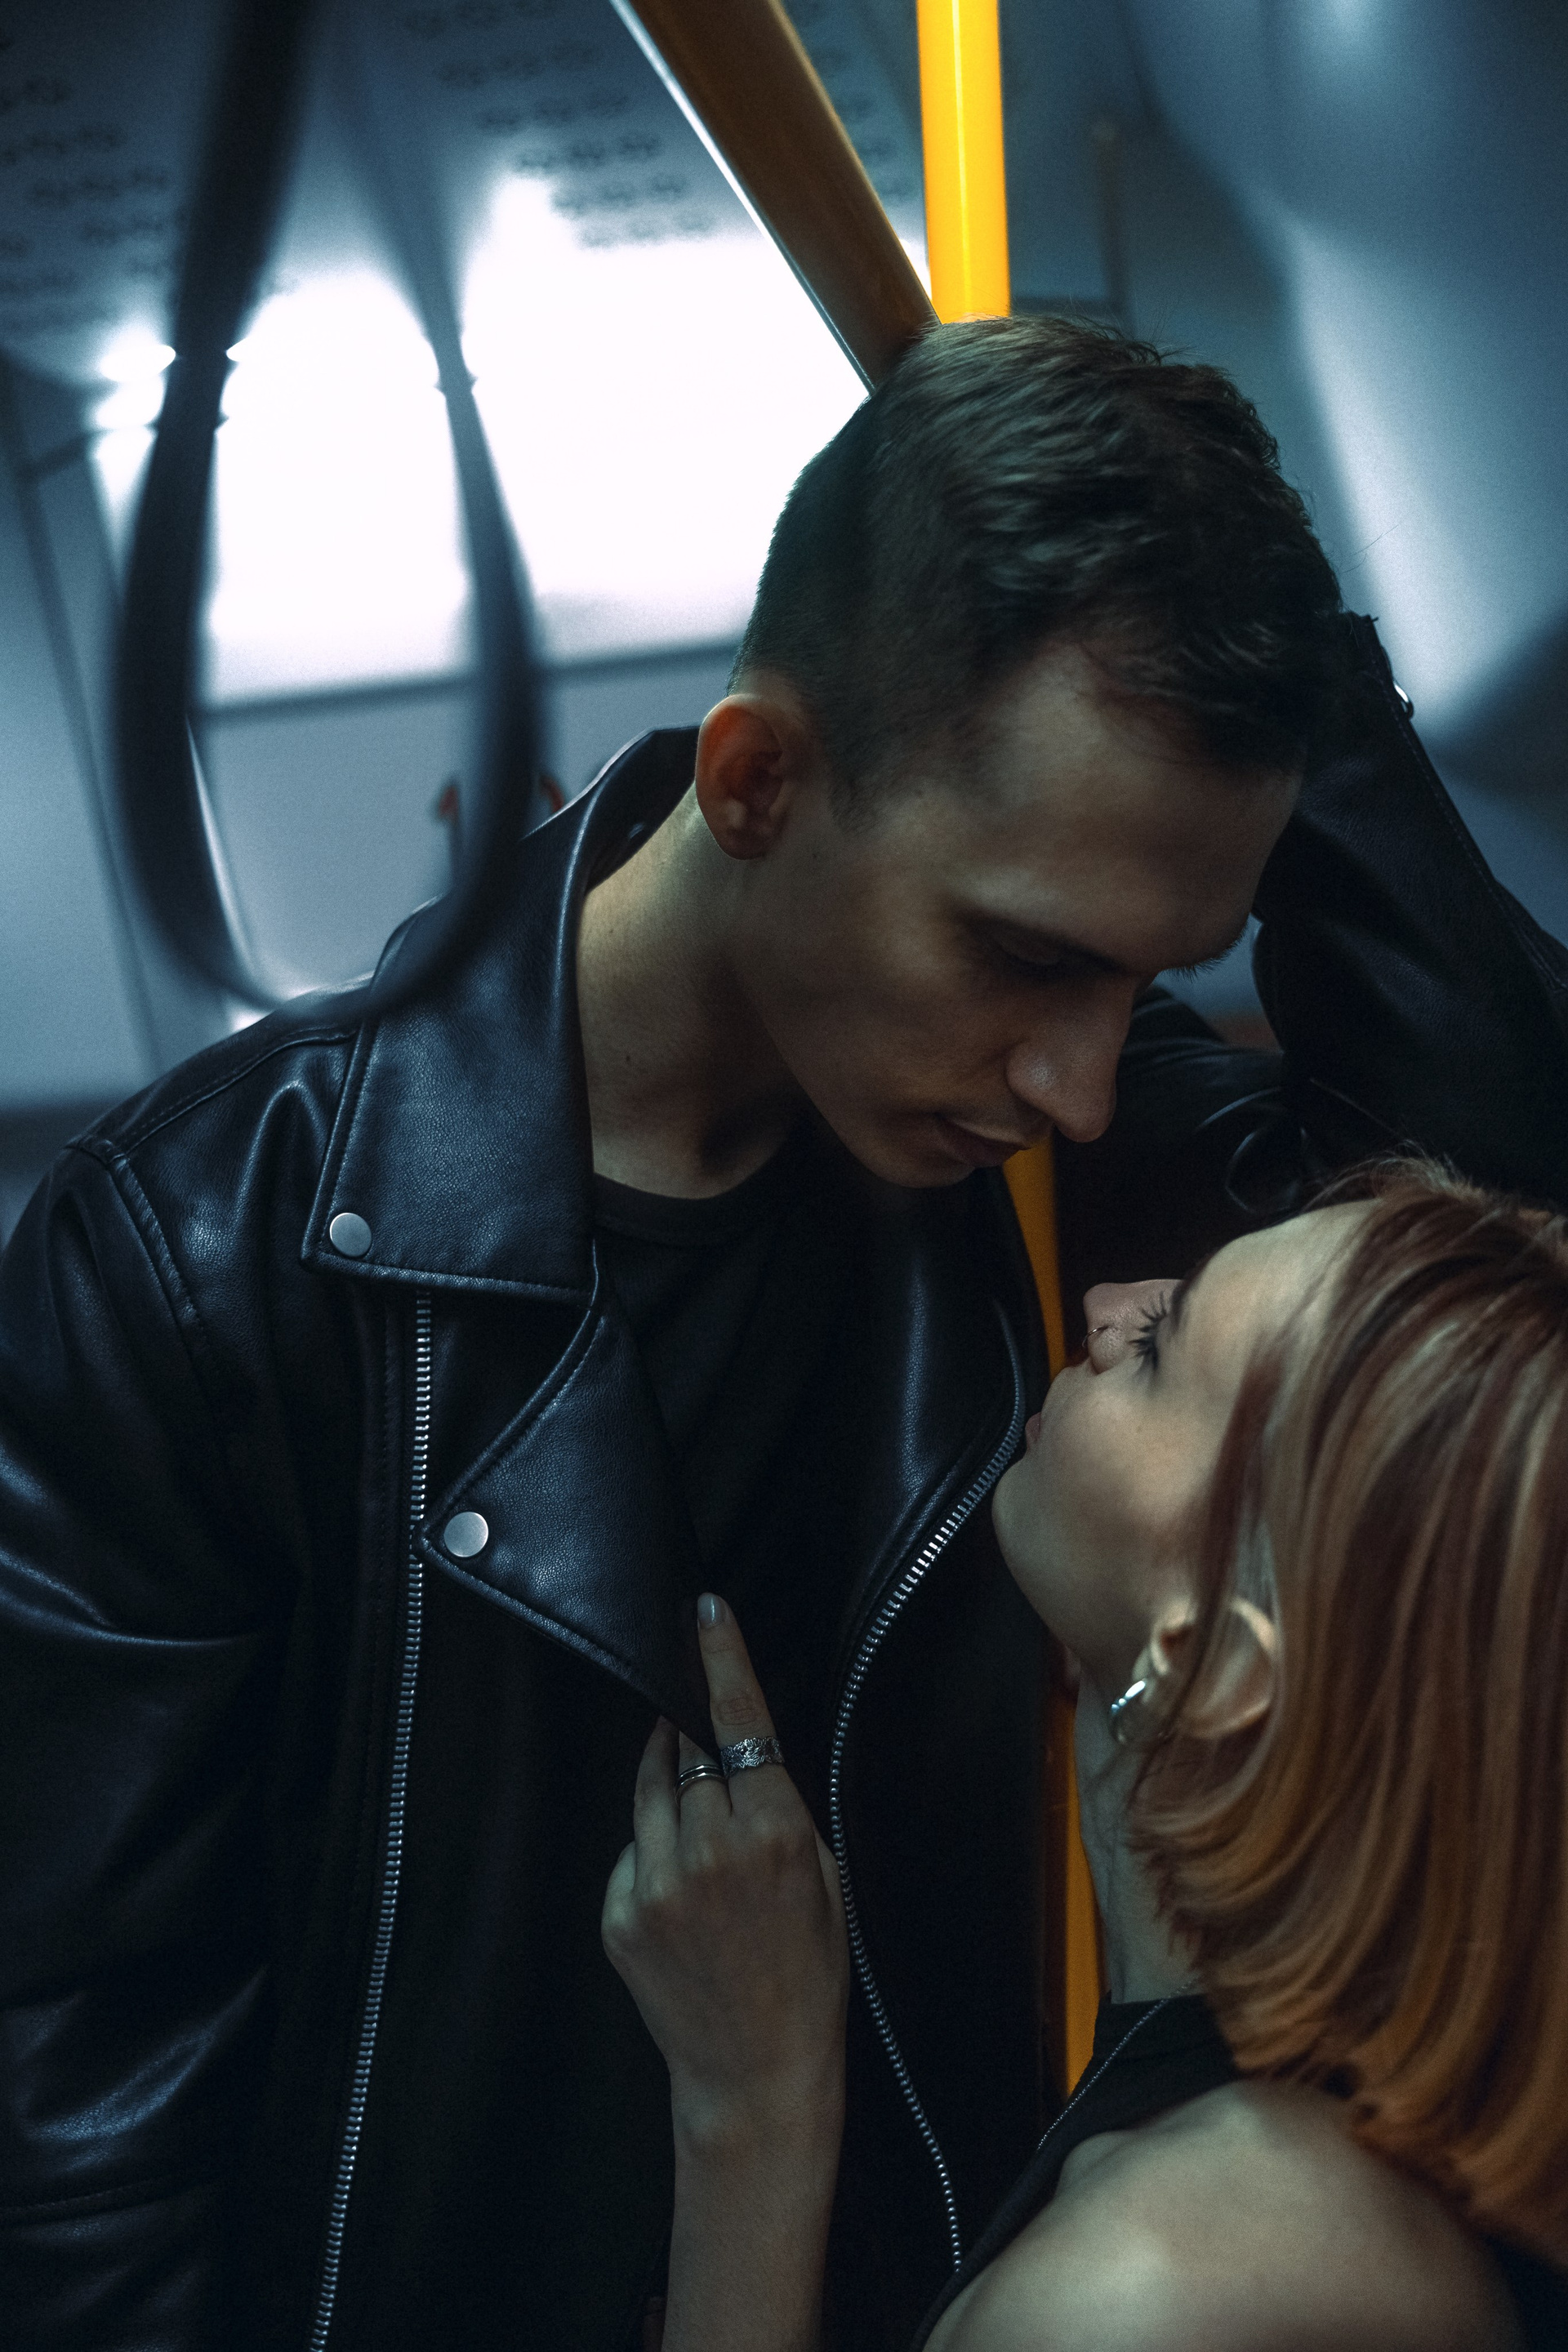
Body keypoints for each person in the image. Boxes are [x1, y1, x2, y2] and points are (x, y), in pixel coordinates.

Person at [3, 316, 1566, 2351]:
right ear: (756, 780)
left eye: (1151, 979)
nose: (1086, 1079)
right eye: (1026, 954)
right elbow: (82, 2114)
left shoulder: (1058, 1181)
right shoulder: (208, 1248)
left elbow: (1503, 1231)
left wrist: (1262, 628)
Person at [604, 1161, 1568, 2352]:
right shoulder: (1327, 2159)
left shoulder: (1165, 2287)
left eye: (1161, 1348)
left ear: (1219, 1665)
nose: (1108, 1307)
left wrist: (751, 2107)